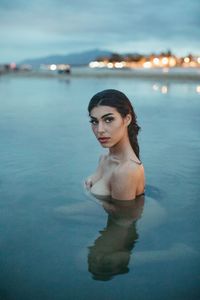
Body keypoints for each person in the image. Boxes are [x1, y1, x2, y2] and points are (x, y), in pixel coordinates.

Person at [85, 89, 145, 201]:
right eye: (94, 121)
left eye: (108, 120)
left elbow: (123, 217)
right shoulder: (104, 160)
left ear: (127, 119)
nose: (100, 130)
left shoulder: (127, 171)